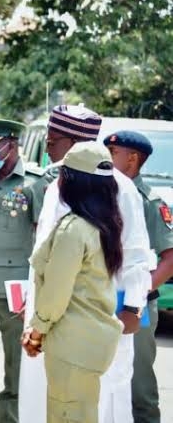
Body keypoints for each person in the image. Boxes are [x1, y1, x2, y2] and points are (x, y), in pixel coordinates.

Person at [19, 105, 153, 423]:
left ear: (74, 144)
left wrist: (133, 309)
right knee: (50, 402)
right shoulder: (57, 185)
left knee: (97, 403)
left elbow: (135, 257)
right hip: (51, 317)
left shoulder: (121, 188)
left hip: (91, 318)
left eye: (53, 142)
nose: (47, 149)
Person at [22, 142, 124, 423]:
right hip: (90, 342)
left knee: (66, 416)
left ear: (75, 181)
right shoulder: (105, 223)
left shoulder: (74, 229)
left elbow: (56, 293)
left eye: (63, 174)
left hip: (72, 345)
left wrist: (36, 332)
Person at [0, 118, 41, 423]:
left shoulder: (34, 183)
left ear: (11, 145)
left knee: (18, 366)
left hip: (16, 290)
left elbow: (44, 235)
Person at [104, 131, 173, 423]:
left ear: (132, 159)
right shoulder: (104, 194)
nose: (106, 158)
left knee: (139, 385)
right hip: (102, 297)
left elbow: (170, 258)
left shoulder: (150, 202)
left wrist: (138, 294)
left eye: (112, 153)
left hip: (137, 305)